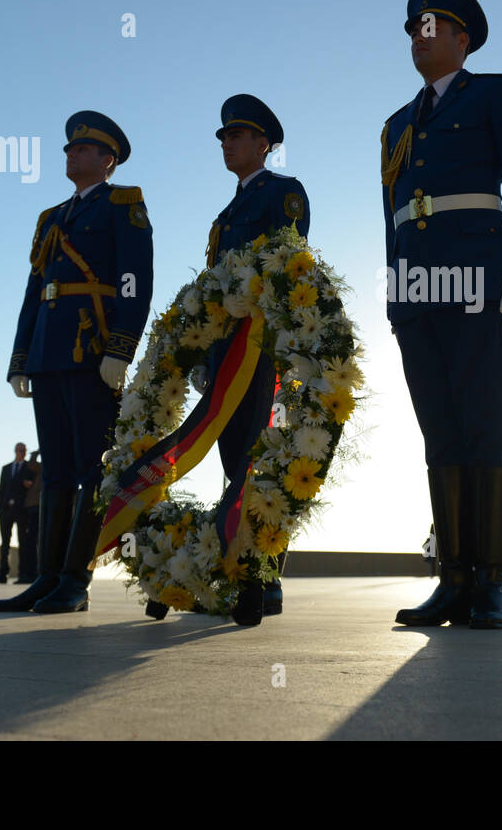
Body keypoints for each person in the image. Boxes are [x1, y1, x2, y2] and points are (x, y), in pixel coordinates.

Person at [383, 0, 502, 630]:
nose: (419, 37)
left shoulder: (497, 92)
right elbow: (393, 216)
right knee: (440, 432)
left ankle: (492, 581)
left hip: (481, 280)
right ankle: (452, 578)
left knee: (486, 425)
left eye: (431, 26)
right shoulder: (396, 124)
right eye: (412, 28)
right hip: (418, 293)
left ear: (461, 38)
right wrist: (396, 294)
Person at [0, 111, 153, 614]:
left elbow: (135, 279)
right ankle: (46, 577)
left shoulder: (122, 204)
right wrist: (20, 359)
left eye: (83, 149)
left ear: (107, 160)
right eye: (68, 149)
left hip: (91, 351)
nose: (71, 154)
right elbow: (32, 293)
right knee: (58, 471)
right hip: (48, 354)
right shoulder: (51, 218)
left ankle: (75, 581)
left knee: (91, 468)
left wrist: (120, 349)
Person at [195, 95, 309, 626]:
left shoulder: (283, 193)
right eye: (222, 137)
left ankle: (266, 577)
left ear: (263, 143)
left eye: (236, 135)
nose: (226, 143)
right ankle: (239, 565)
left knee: (257, 458)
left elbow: (287, 263)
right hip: (224, 348)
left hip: (263, 347)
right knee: (229, 454)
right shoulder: (223, 215)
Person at [0, 443, 36, 583]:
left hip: (22, 510)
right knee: (5, 542)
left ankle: (22, 574)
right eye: (19, 450)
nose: (21, 452)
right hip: (5, 510)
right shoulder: (6, 469)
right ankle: (2, 575)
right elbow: (1, 489)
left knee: (23, 542)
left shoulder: (29, 467)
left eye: (24, 450)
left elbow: (33, 487)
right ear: (15, 451)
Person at [16, 449, 43, 583]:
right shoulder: (40, 467)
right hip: (32, 506)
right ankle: (30, 573)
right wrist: (36, 453)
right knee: (30, 541)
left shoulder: (50, 469)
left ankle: (38, 573)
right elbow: (31, 464)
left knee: (38, 540)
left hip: (41, 506)